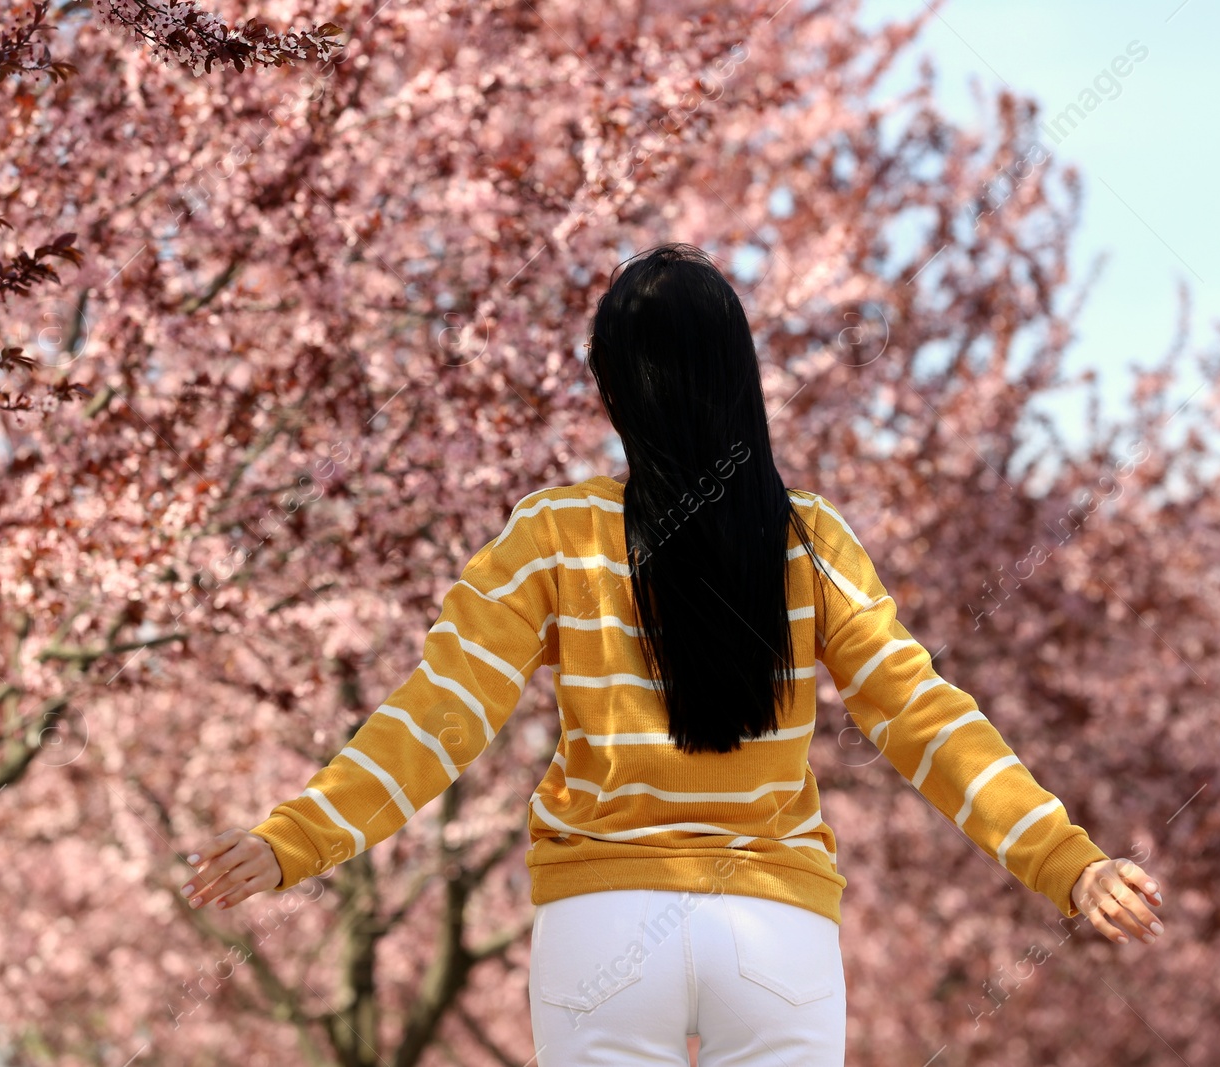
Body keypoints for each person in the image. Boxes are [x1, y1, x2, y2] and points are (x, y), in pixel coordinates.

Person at [178, 242, 1165, 1064]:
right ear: (743, 379)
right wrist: (1064, 861)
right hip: (775, 932)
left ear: (611, 387)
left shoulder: (553, 533)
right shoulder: (810, 539)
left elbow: (441, 713)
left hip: (601, 929)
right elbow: (924, 715)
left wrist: (298, 837)